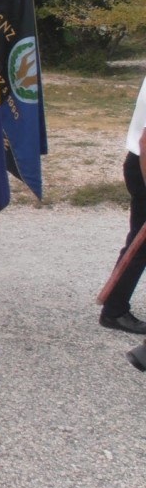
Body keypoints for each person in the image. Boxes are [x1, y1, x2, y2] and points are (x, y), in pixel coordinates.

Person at [101, 75, 146, 334]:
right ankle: (114, 311)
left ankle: (114, 304)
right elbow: (145, 141)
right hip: (143, 166)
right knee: (140, 243)